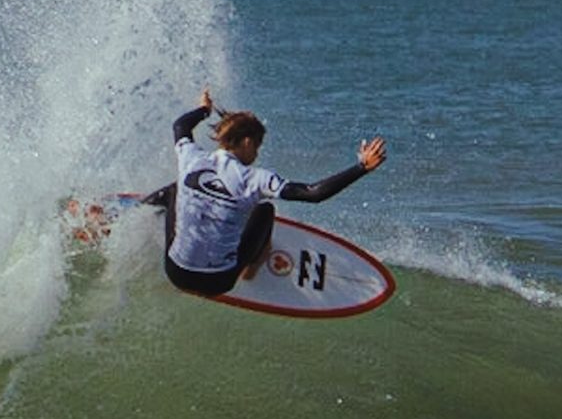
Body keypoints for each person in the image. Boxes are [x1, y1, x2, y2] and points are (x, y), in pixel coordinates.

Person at [147, 86, 387, 298]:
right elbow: (313, 193)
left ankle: (138, 210)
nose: (257, 155)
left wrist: (204, 110)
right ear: (248, 142)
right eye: (258, 147)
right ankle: (251, 268)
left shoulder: (191, 157)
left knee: (176, 189)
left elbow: (180, 125)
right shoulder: (256, 179)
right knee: (265, 209)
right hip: (218, 281)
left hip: (176, 272)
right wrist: (361, 167)